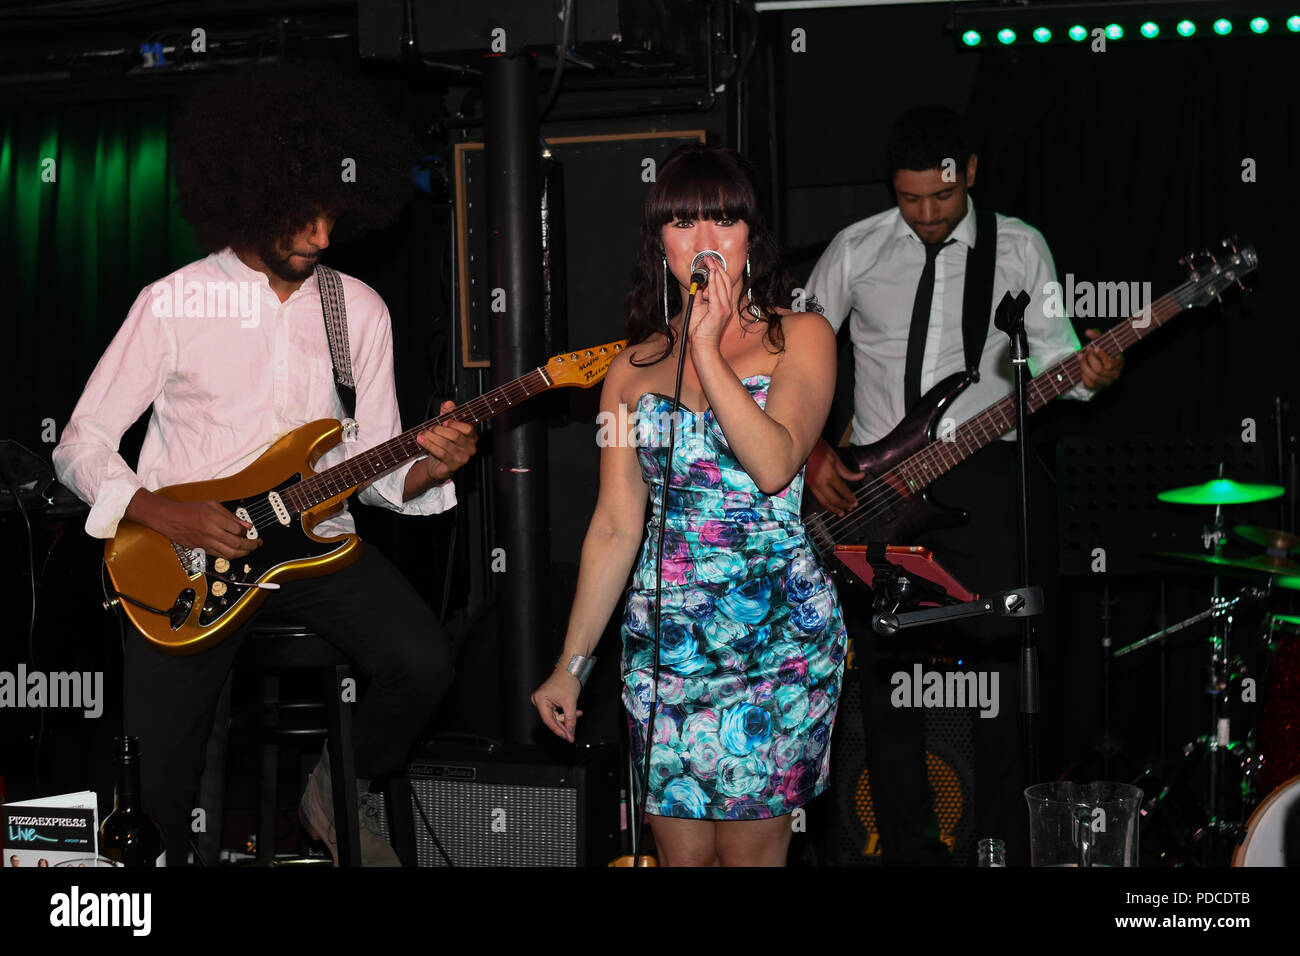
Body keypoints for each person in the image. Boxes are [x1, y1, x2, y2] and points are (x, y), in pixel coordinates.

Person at [51, 62, 478, 866]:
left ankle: (335, 788)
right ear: (244, 196)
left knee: (423, 662)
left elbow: (379, 470)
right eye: (299, 216)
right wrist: (162, 511)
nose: (320, 236)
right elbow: (79, 442)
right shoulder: (175, 301)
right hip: (185, 553)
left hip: (319, 544)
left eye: (330, 216)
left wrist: (433, 463)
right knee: (157, 786)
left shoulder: (357, 309)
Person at [803, 105, 1123, 865]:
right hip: (876, 486)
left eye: (940, 198)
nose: (923, 214)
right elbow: (796, 353)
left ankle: (1001, 849)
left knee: (998, 682)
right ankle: (907, 855)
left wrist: (1089, 376)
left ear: (970, 173)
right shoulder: (857, 247)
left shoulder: (1019, 248)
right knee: (887, 685)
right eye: (909, 198)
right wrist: (814, 450)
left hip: (983, 479)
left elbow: (1054, 354)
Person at [530, 144, 847, 866]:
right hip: (665, 649)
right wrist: (572, 664)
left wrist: (705, 348)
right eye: (682, 224)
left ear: (750, 237)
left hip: (775, 642)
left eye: (723, 221)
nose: (704, 242)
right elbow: (615, 525)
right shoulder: (629, 370)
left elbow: (773, 464)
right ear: (659, 243)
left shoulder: (801, 337)